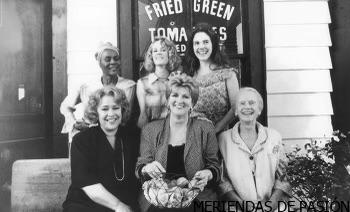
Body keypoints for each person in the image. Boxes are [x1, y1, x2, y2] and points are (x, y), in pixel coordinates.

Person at [135, 74, 221, 212]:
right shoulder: (150, 129)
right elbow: (140, 167)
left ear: (192, 103)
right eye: (174, 95)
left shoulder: (205, 128)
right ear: (168, 100)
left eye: (186, 97)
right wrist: (147, 168)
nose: (179, 100)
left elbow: (215, 166)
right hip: (159, 197)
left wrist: (208, 173)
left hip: (196, 196)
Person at [62, 87, 139, 212]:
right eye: (104, 109)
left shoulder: (133, 137)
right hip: (84, 205)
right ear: (95, 112)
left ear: (122, 110)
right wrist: (119, 206)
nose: (111, 114)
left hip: (123, 204)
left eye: (115, 108)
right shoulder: (81, 140)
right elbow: (88, 184)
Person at [218, 87, 291, 211]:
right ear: (235, 111)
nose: (247, 107)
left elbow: (283, 178)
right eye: (242, 103)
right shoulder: (223, 140)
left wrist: (271, 205)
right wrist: (242, 204)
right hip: (237, 207)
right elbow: (222, 181)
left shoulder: (274, 136)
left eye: (252, 103)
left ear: (259, 110)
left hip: (272, 206)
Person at [60, 42, 136, 151]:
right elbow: (65, 106)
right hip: (85, 138)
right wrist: (73, 123)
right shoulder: (87, 86)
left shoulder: (128, 86)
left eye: (116, 58)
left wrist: (91, 126)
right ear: (99, 61)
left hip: (113, 139)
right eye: (108, 59)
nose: (113, 62)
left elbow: (123, 118)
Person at [184, 23, 239, 134]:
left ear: (213, 44)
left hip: (220, 136)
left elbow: (235, 108)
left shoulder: (227, 74)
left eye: (205, 42)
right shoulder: (189, 76)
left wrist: (216, 129)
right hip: (193, 137)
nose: (201, 47)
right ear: (192, 47)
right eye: (197, 43)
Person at [136, 36, 182, 128]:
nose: (159, 53)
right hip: (152, 135)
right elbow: (142, 117)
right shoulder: (143, 83)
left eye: (163, 50)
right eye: (155, 51)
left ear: (170, 54)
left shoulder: (178, 80)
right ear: (151, 56)